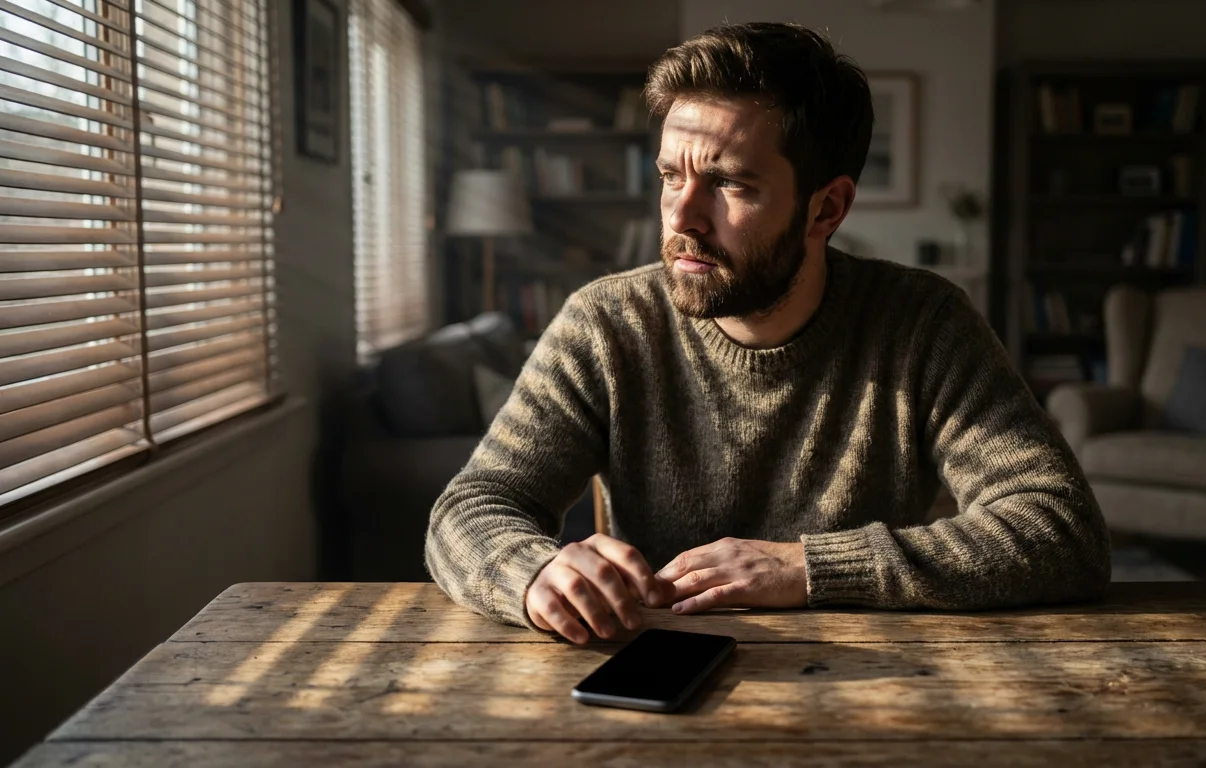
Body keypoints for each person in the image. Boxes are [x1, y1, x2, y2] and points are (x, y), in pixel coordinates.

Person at [426, 22, 1110, 645]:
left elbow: (1059, 528)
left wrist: (809, 568)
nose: (683, 218)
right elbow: (473, 506)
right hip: (660, 671)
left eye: (728, 184)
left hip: (877, 683)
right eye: (670, 176)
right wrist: (534, 571)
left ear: (826, 209)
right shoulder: (606, 323)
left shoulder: (922, 323)